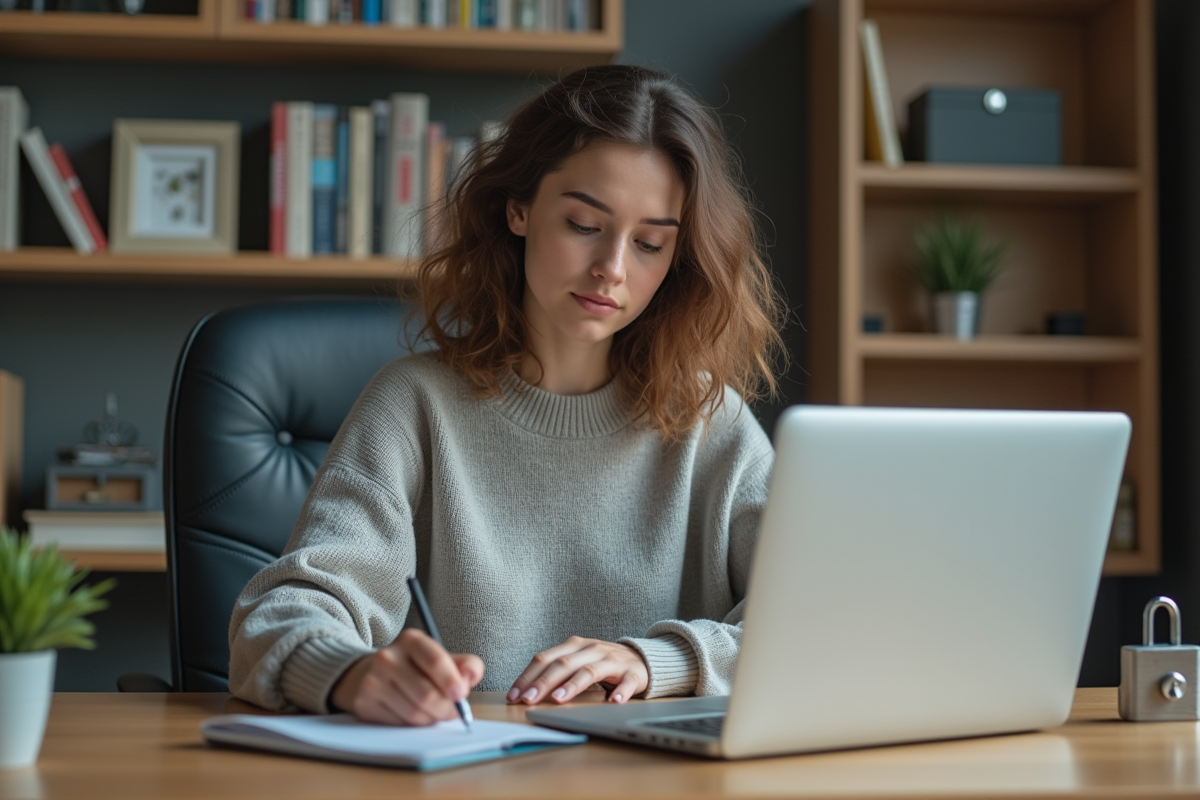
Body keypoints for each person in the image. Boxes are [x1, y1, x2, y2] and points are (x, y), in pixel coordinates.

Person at [228, 64, 787, 726]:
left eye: (649, 243)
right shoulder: (414, 406)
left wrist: (660, 662)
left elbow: (820, 622)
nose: (612, 267)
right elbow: (275, 618)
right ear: (518, 209)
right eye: (584, 223)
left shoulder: (710, 421)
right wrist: (350, 674)